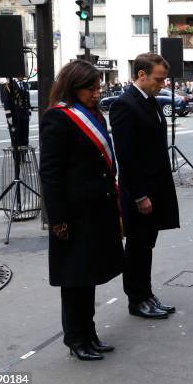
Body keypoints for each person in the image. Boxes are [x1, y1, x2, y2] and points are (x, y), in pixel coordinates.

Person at [39, 60, 124, 361]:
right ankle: (75, 339)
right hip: (73, 214)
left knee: (89, 277)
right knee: (74, 280)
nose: (97, 93)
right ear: (74, 87)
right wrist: (57, 219)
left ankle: (90, 333)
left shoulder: (92, 114)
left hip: (96, 210)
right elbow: (50, 173)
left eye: (98, 87)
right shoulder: (58, 118)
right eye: (91, 88)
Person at [109, 53, 180, 319]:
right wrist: (139, 195)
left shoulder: (150, 102)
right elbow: (126, 155)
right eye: (158, 79)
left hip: (155, 186)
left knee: (146, 244)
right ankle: (137, 299)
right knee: (137, 246)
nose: (162, 84)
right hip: (139, 191)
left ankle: (146, 294)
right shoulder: (125, 105)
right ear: (141, 75)